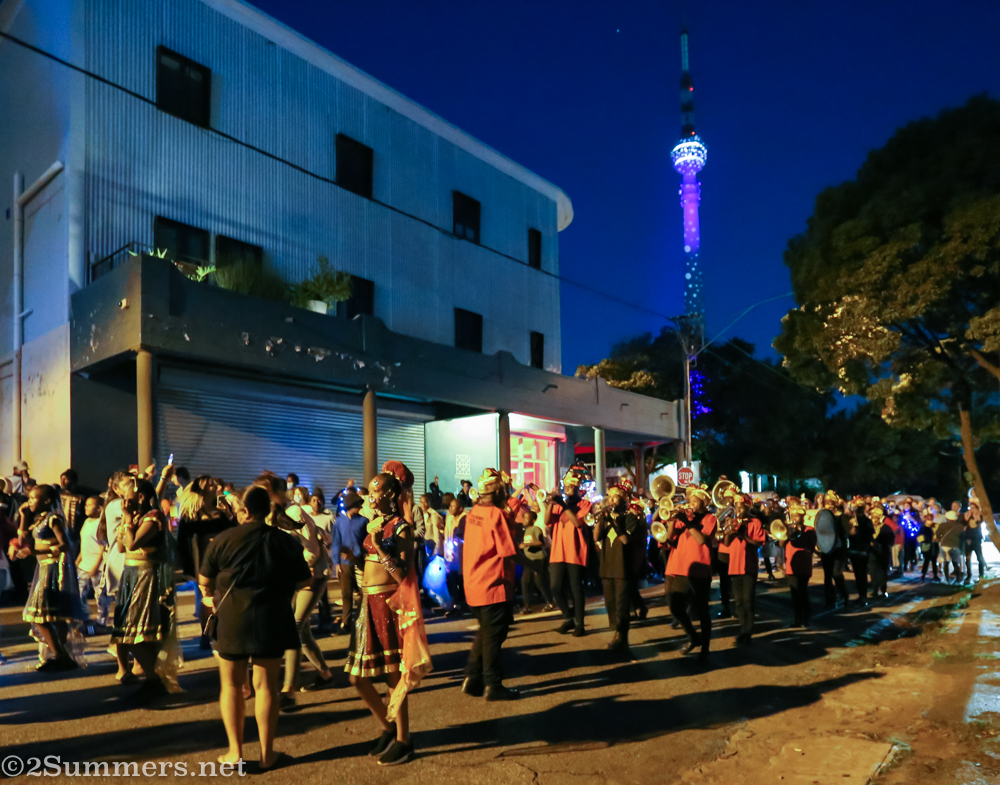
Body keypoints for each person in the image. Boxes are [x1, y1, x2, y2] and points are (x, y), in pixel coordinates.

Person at [199, 485, 311, 772]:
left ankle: (234, 752)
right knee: (266, 687)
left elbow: (204, 579)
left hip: (232, 618)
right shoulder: (284, 541)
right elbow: (303, 580)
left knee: (232, 685)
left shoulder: (223, 539)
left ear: (245, 511)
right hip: (270, 617)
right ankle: (267, 753)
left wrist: (207, 596)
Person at [344, 471, 432, 766]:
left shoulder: (401, 528)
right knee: (357, 677)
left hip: (389, 605)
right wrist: (355, 559)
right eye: (370, 489)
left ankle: (405, 740)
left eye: (377, 490)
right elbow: (366, 562)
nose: (371, 494)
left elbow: (403, 574)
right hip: (368, 604)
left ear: (392, 495)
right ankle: (387, 726)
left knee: (395, 676)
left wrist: (381, 547)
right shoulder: (372, 524)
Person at [110, 478, 181, 695]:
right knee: (128, 630)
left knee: (137, 630)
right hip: (131, 575)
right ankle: (152, 677)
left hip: (146, 575)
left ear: (140, 497)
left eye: (127, 497)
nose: (124, 502)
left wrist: (129, 518)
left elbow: (133, 543)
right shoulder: (135, 517)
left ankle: (154, 677)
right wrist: (127, 518)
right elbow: (122, 548)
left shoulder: (154, 516)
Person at [14, 485, 89, 670]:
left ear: (46, 501)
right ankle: (60, 655)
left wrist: (34, 551)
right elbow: (23, 539)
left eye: (33, 498)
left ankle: (60, 655)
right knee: (49, 615)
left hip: (53, 568)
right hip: (43, 567)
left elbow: (65, 544)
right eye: (29, 498)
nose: (29, 502)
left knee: (43, 615)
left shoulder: (53, 519)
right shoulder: (38, 519)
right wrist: (23, 517)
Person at [461, 468, 519, 700]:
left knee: (485, 634)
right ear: (496, 491)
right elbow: (509, 551)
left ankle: (473, 678)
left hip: (474, 584)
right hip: (493, 584)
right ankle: (492, 684)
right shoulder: (498, 515)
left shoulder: (474, 512)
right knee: (494, 637)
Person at [281, 485, 334, 698]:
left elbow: (311, 549)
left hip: (313, 574)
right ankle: (324, 673)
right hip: (302, 575)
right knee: (301, 630)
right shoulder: (281, 515)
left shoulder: (293, 513)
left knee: (295, 627)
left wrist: (306, 563)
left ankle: (289, 687)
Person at [177, 476, 236, 647]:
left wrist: (228, 514)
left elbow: (233, 530)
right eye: (210, 485)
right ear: (201, 490)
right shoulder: (190, 515)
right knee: (206, 599)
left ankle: (219, 631)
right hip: (202, 562)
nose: (215, 487)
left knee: (222, 598)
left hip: (223, 562)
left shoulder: (222, 511)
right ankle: (206, 633)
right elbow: (183, 542)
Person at [664, 485, 717, 663]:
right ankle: (693, 636)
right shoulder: (686, 517)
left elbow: (702, 539)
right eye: (691, 500)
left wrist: (687, 522)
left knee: (702, 611)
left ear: (704, 503)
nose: (691, 503)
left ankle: (706, 648)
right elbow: (669, 538)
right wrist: (672, 520)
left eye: (696, 500)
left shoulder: (710, 518)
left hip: (700, 569)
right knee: (675, 606)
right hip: (680, 568)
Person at [541, 467, 592, 637]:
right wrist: (549, 504)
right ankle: (568, 617)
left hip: (575, 551)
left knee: (575, 589)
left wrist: (563, 504)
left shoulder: (585, 504)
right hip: (558, 551)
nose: (569, 490)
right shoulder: (559, 504)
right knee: (555, 587)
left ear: (578, 489)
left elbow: (578, 523)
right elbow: (548, 521)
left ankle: (580, 624)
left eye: (572, 488)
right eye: (567, 487)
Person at [594, 481, 642, 656]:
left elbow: (625, 540)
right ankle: (617, 636)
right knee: (611, 604)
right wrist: (601, 520)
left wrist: (613, 522)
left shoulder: (630, 517)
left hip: (623, 568)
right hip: (607, 566)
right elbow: (596, 537)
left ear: (624, 500)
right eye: (611, 496)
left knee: (622, 606)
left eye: (616, 497)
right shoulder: (607, 517)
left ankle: (622, 639)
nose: (612, 500)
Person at [723, 494, 766, 647]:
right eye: (737, 506)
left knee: (748, 600)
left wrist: (744, 535)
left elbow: (758, 543)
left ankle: (748, 631)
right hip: (734, 566)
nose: (739, 509)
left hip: (749, 566)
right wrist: (730, 531)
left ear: (747, 507)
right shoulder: (733, 521)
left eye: (741, 507)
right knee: (739, 601)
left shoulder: (755, 522)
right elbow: (726, 543)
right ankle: (743, 629)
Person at [331, 491, 368, 632]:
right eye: (358, 504)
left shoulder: (364, 521)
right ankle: (346, 623)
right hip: (345, 564)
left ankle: (362, 619)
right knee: (346, 594)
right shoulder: (339, 522)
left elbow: (367, 543)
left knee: (363, 593)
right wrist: (337, 563)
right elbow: (335, 543)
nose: (360, 507)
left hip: (360, 562)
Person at [783, 504, 816, 627]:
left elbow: (808, 545)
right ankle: (798, 619)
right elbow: (781, 542)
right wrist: (786, 532)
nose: (795, 518)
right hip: (791, 566)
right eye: (793, 515)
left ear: (803, 517)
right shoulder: (789, 529)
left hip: (803, 565)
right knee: (794, 594)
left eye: (798, 515)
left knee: (802, 592)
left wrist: (797, 532)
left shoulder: (809, 530)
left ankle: (806, 618)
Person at [518, 509, 555, 613]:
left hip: (538, 559)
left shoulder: (536, 529)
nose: (524, 520)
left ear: (533, 520)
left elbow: (540, 542)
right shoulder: (525, 530)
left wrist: (527, 545)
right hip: (528, 560)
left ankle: (550, 601)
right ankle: (527, 606)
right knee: (525, 582)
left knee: (539, 582)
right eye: (524, 517)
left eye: (526, 518)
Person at [76, 497, 107, 616]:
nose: (86, 507)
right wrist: (77, 561)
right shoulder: (86, 522)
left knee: (99, 595)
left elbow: (102, 547)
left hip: (97, 567)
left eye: (90, 505)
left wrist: (96, 566)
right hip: (84, 565)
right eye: (86, 504)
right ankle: (83, 616)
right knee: (79, 593)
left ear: (99, 508)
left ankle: (102, 619)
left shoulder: (100, 524)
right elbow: (84, 545)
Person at [845, 499, 873, 607]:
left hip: (862, 550)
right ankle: (862, 596)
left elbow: (869, 536)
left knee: (861, 574)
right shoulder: (853, 521)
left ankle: (863, 597)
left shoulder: (866, 521)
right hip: (855, 550)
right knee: (859, 575)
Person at [443, 497, 467, 613]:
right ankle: (457, 603)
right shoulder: (450, 518)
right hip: (451, 556)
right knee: (451, 580)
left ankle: (462, 604)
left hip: (461, 556)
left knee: (461, 581)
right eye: (450, 506)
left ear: (461, 508)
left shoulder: (465, 518)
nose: (451, 508)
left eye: (453, 506)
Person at [869, 504, 895, 599]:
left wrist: (882, 544)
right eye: (873, 517)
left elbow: (891, 541)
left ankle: (883, 590)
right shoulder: (869, 528)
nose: (875, 520)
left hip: (883, 553)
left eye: (876, 517)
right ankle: (875, 590)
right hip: (872, 554)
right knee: (873, 572)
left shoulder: (886, 528)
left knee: (882, 572)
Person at [936, 510, 965, 584]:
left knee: (946, 563)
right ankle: (958, 578)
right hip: (955, 545)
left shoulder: (942, 525)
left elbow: (937, 534)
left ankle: (946, 579)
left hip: (945, 545)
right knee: (955, 563)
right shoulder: (960, 526)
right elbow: (962, 536)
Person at [962, 503, 986, 583]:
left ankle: (981, 575)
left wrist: (976, 515)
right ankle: (968, 575)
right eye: (970, 507)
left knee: (979, 558)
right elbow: (963, 523)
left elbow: (979, 522)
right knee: (967, 558)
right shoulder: (967, 515)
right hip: (968, 539)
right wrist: (967, 516)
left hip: (976, 539)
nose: (972, 509)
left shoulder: (979, 515)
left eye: (973, 507)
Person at [919, 514, 940, 581]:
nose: (929, 520)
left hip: (934, 545)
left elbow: (940, 534)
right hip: (927, 545)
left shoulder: (936, 526)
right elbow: (920, 536)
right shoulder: (923, 527)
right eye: (928, 518)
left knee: (933, 561)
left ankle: (934, 574)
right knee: (927, 560)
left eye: (930, 518)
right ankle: (924, 574)